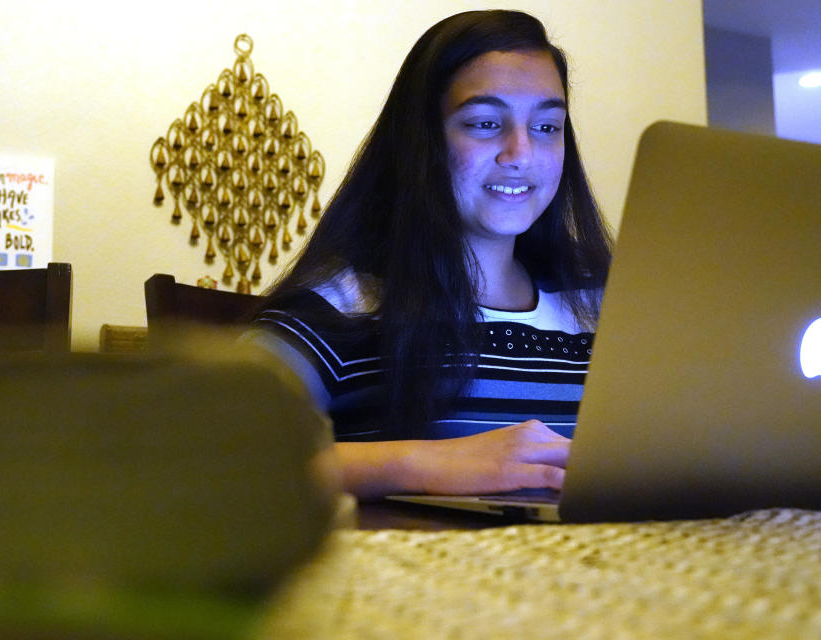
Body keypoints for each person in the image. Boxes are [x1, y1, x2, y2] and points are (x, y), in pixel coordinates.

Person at [253, 10, 613, 499]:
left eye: (548, 127)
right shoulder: (345, 306)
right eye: (486, 123)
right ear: (422, 141)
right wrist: (420, 461)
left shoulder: (600, 304)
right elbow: (199, 447)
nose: (521, 153)